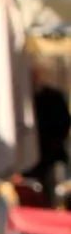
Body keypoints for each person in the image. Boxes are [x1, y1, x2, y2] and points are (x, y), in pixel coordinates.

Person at [28, 68, 69, 200]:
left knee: (50, 190)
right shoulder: (26, 99)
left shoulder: (52, 97)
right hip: (36, 158)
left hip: (48, 156)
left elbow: (64, 123)